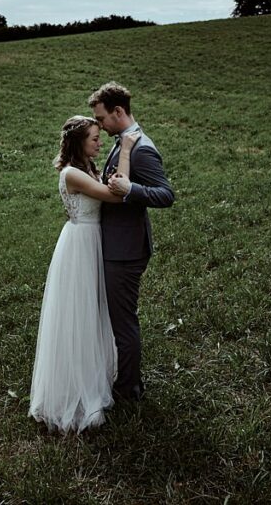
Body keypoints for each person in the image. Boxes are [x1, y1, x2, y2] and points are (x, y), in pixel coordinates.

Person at [29, 116, 139, 433]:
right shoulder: (73, 173)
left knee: (94, 310)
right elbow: (117, 194)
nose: (99, 142)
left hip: (94, 242)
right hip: (79, 245)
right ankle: (73, 386)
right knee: (77, 312)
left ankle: (96, 372)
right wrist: (127, 151)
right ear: (79, 142)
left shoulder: (88, 168)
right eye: (94, 138)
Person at [89, 81, 175, 403]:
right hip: (115, 245)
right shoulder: (120, 141)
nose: (98, 125)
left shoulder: (142, 148)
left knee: (124, 323)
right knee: (119, 319)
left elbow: (167, 195)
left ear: (118, 111)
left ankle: (128, 391)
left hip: (126, 251)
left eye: (101, 119)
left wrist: (131, 191)